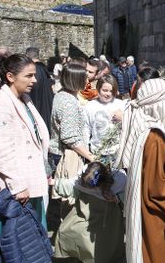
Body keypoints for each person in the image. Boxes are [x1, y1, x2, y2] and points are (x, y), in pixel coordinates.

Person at [115, 78, 165, 263]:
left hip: (148, 208)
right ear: (158, 103)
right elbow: (157, 188)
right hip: (156, 216)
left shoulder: (149, 131)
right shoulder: (154, 138)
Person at [0, 54, 53, 261]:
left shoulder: (25, 99)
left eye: (34, 75)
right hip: (18, 188)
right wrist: (17, 185)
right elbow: (2, 148)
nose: (34, 80)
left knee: (34, 239)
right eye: (28, 76)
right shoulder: (2, 102)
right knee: (20, 243)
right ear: (10, 76)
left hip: (31, 182)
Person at [50, 162, 126, 263]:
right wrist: (118, 199)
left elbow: (67, 186)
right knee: (103, 249)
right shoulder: (120, 183)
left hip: (88, 222)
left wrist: (55, 182)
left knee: (72, 236)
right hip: (107, 226)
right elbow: (128, 198)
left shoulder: (81, 184)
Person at [50, 64, 95, 216]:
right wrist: (90, 156)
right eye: (84, 78)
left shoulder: (62, 95)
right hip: (70, 155)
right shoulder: (68, 101)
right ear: (76, 80)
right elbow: (69, 136)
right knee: (71, 202)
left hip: (67, 152)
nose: (87, 80)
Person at [83, 74, 126, 164]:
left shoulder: (121, 104)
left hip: (117, 153)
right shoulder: (90, 106)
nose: (108, 94)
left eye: (111, 91)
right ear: (98, 89)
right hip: (97, 153)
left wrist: (124, 118)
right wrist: (87, 154)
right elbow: (86, 130)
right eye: (105, 90)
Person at [25, 47, 54, 133]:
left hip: (36, 110)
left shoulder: (33, 71)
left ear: (27, 56)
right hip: (46, 110)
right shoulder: (45, 70)